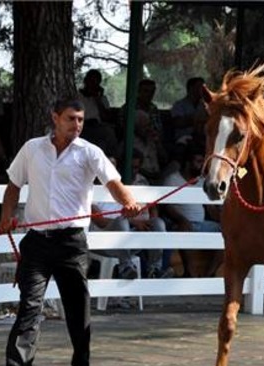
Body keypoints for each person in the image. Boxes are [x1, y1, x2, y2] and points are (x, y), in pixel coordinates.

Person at [0, 96, 141, 366]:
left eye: (81, 120)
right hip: (36, 241)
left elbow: (112, 182)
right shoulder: (32, 149)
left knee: (77, 307)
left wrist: (128, 203)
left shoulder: (90, 152)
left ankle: (81, 365)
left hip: (72, 242)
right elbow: (13, 185)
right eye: (71, 118)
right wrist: (6, 216)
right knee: (30, 306)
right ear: (55, 117)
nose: (77, 125)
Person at [90, 150, 174, 280]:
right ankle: (126, 267)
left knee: (158, 222)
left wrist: (139, 222)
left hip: (126, 239)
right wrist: (133, 222)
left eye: (112, 167)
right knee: (121, 221)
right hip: (104, 242)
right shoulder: (91, 190)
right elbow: (99, 221)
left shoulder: (121, 190)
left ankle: (155, 269)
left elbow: (137, 212)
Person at [161, 143, 223, 278]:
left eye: (203, 161)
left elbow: (209, 206)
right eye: (198, 161)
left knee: (227, 232)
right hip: (180, 224)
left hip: (202, 224)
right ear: (188, 162)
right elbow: (166, 206)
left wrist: (222, 218)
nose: (201, 165)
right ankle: (188, 273)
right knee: (184, 230)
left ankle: (210, 274)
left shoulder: (202, 180)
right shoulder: (172, 179)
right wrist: (181, 220)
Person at [79, 69, 118, 156]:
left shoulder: (101, 99)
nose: (93, 85)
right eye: (91, 82)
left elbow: (106, 117)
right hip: (82, 126)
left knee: (106, 136)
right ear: (85, 81)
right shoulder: (78, 96)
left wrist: (98, 99)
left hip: (97, 126)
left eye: (96, 83)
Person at [170, 77, 208, 147]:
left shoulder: (205, 106)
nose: (203, 90)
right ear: (191, 88)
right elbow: (178, 123)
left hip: (202, 139)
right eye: (200, 87)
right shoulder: (179, 105)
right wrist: (197, 118)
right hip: (184, 140)